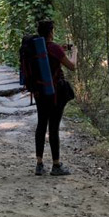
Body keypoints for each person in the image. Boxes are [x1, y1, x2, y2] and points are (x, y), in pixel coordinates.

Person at [33, 20, 77, 176]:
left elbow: (50, 54)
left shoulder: (34, 47)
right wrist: (74, 52)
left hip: (39, 92)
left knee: (41, 125)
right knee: (53, 128)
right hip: (55, 94)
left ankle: (39, 164)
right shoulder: (55, 48)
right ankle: (56, 165)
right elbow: (72, 66)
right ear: (51, 31)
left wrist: (61, 49)